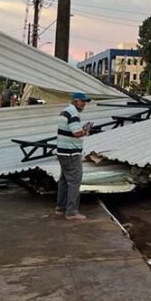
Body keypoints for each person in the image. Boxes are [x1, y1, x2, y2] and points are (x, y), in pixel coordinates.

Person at [55, 92, 94, 221]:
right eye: (82, 102)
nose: (84, 105)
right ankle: (71, 211)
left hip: (62, 151)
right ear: (75, 101)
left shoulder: (64, 112)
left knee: (64, 180)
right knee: (74, 181)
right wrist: (86, 129)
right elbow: (77, 133)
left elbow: (70, 131)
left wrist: (81, 129)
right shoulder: (73, 114)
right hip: (71, 153)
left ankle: (60, 207)